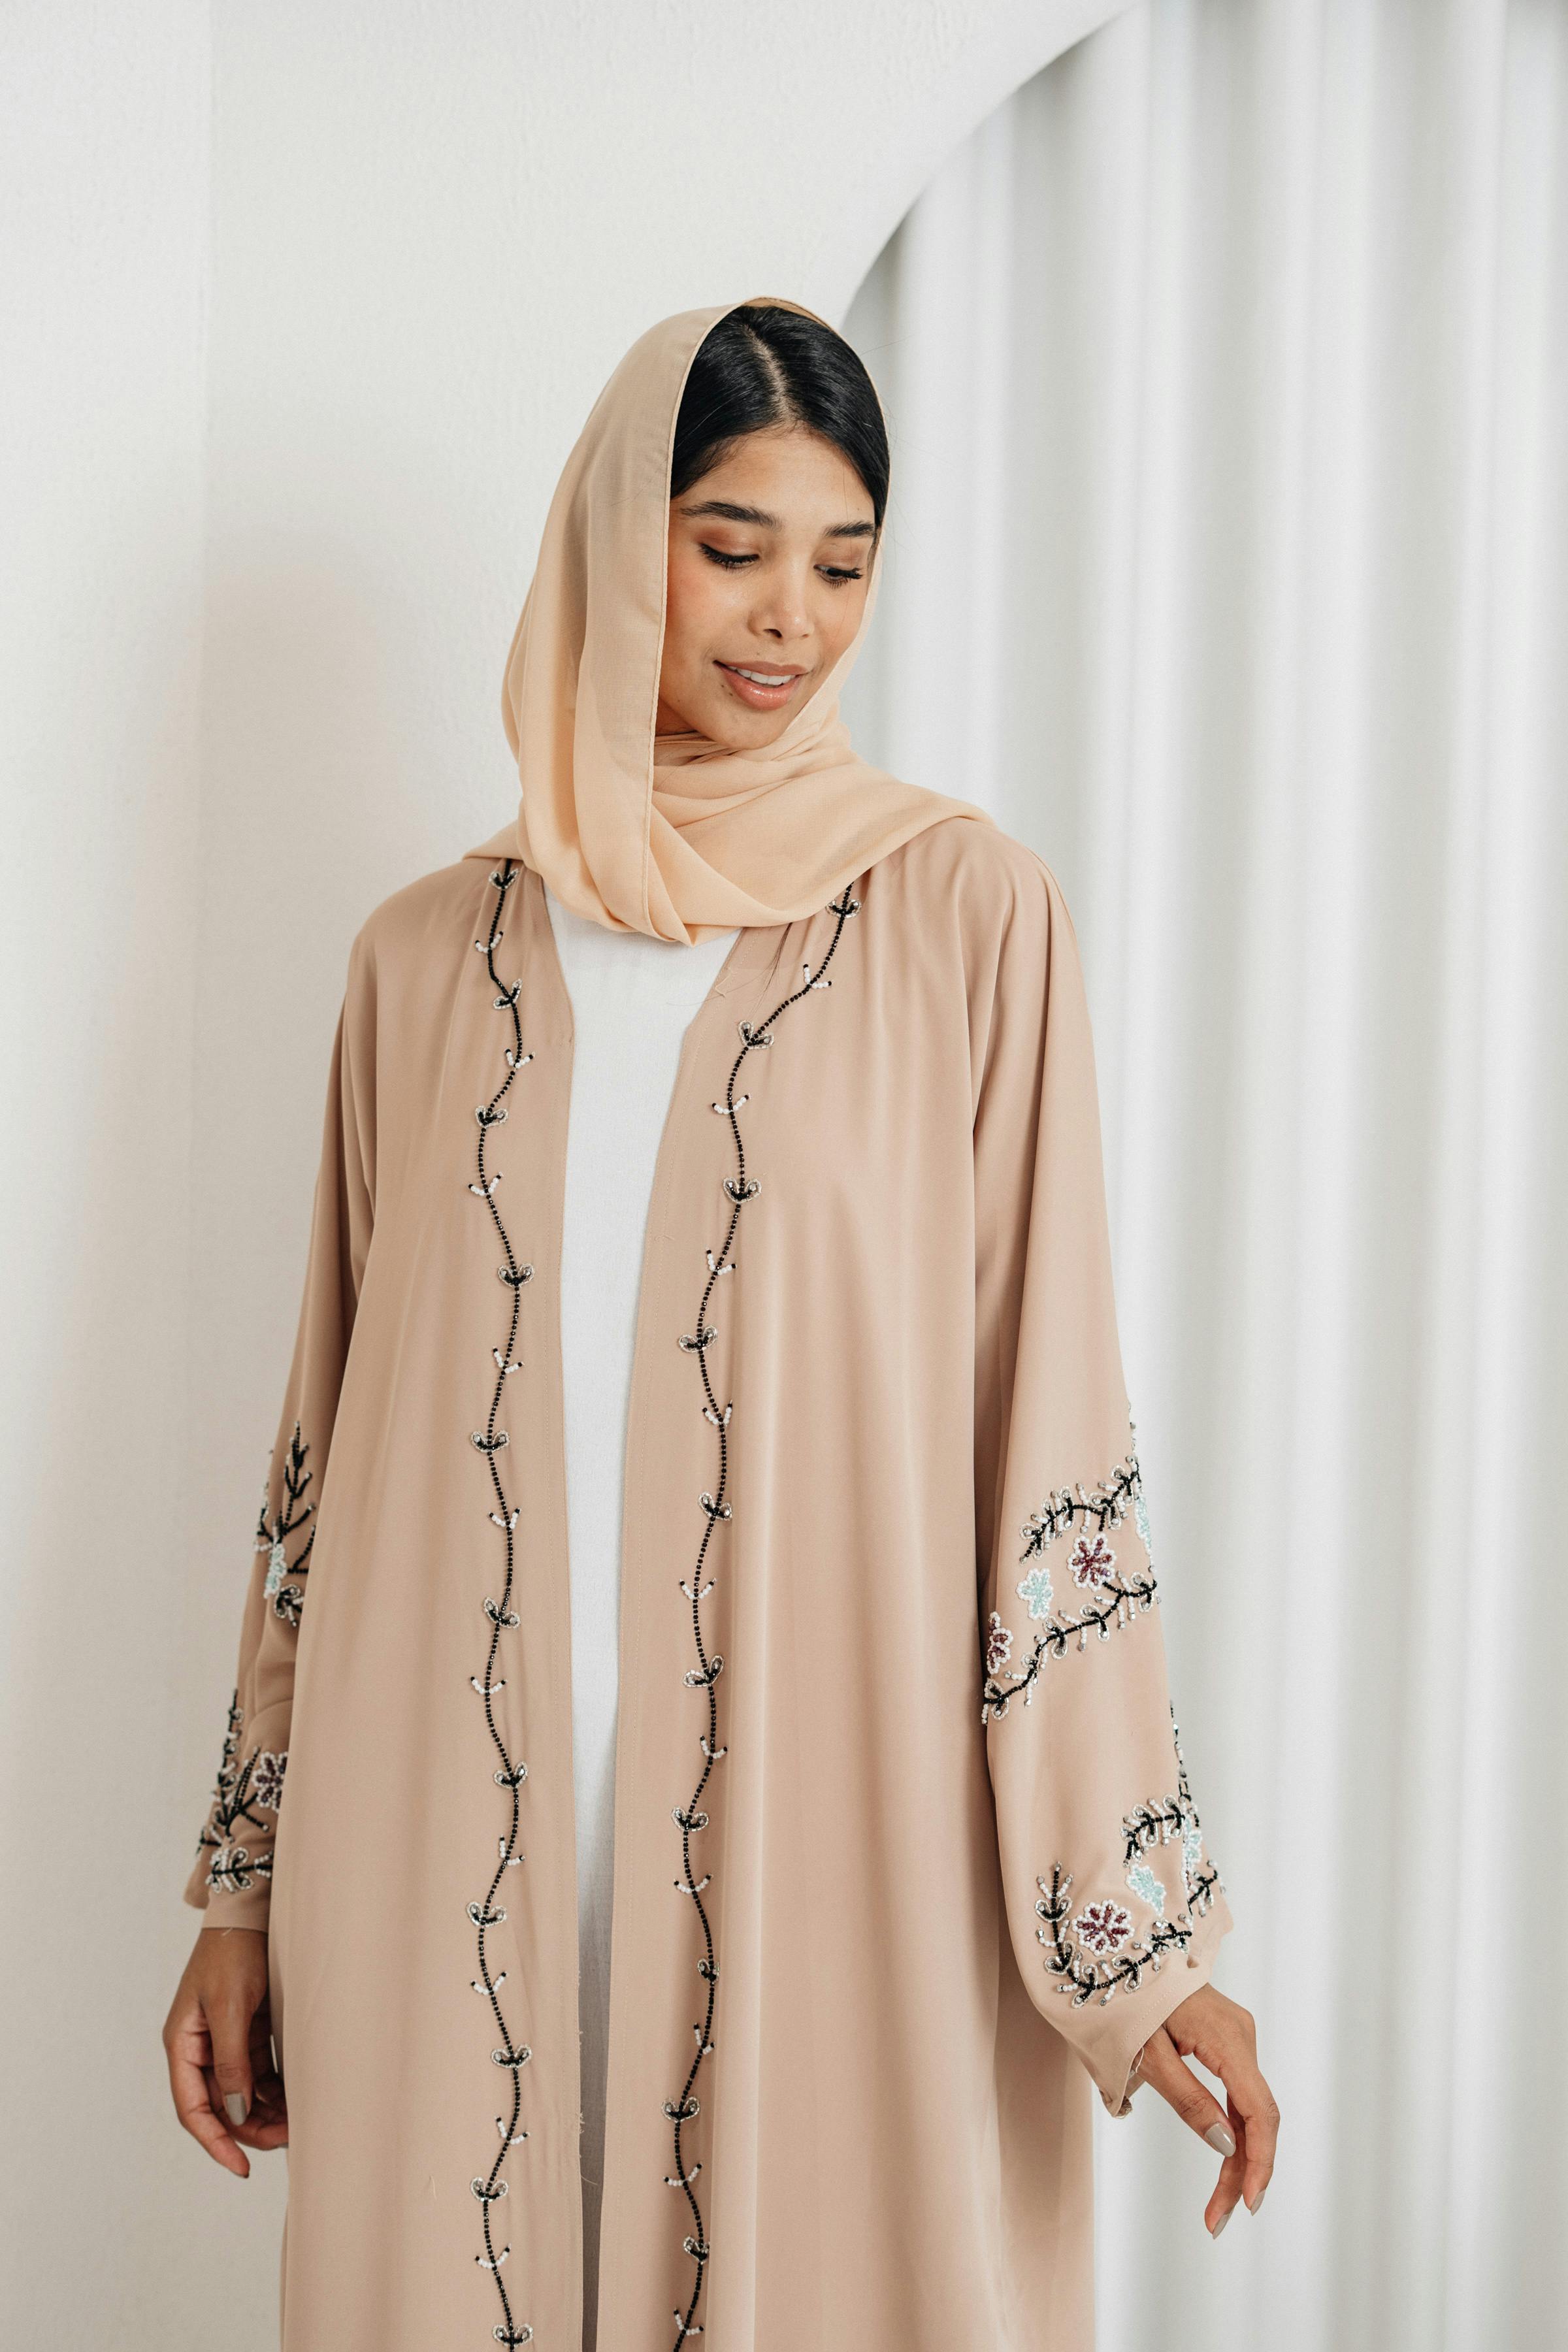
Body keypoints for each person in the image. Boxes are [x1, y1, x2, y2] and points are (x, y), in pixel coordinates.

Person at [163, 296, 1277, 2351]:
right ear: (616, 540)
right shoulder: (426, 963)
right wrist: (241, 1892)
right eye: (731, 544)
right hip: (439, 1832)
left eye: (844, 562)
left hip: (825, 1833)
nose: (789, 620)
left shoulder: (964, 920)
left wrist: (1140, 1954)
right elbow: (322, 1457)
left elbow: (1056, 1438)